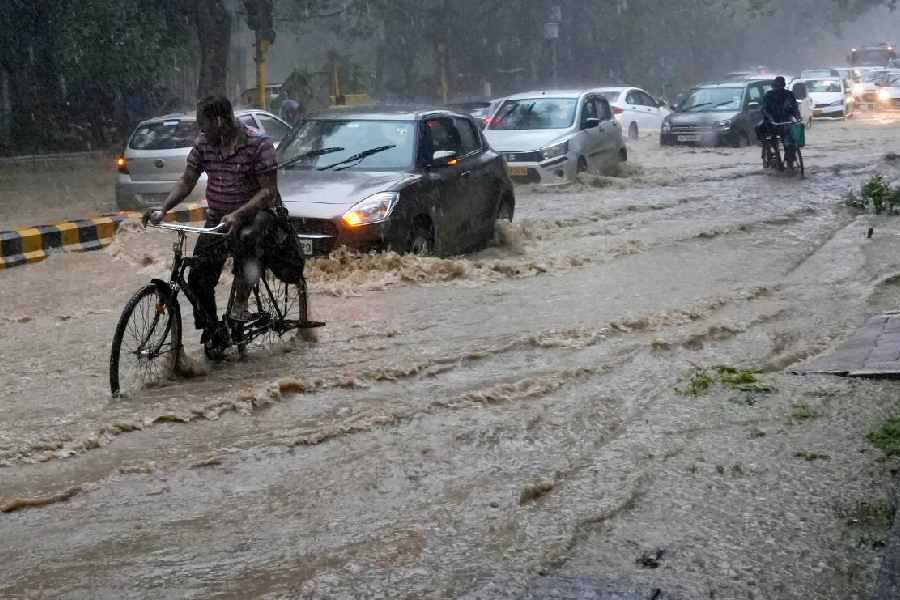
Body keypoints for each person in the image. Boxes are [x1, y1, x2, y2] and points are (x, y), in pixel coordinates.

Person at [142, 95, 279, 341]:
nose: (200, 129)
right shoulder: (205, 143)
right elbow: (187, 180)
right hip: (218, 219)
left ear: (218, 120)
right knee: (198, 277)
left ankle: (240, 303)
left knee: (247, 240)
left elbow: (268, 192)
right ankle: (213, 330)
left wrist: (238, 214)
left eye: (202, 123)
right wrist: (163, 209)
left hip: (254, 215)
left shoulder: (259, 144)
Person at [759, 76, 802, 160]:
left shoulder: (789, 94)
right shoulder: (769, 95)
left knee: (790, 139)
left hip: (785, 121)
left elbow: (794, 107)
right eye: (777, 86)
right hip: (771, 122)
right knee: (761, 130)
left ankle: (790, 155)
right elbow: (764, 109)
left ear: (783, 86)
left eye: (780, 86)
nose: (779, 88)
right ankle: (770, 150)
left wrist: (798, 117)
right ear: (774, 86)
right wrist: (770, 119)